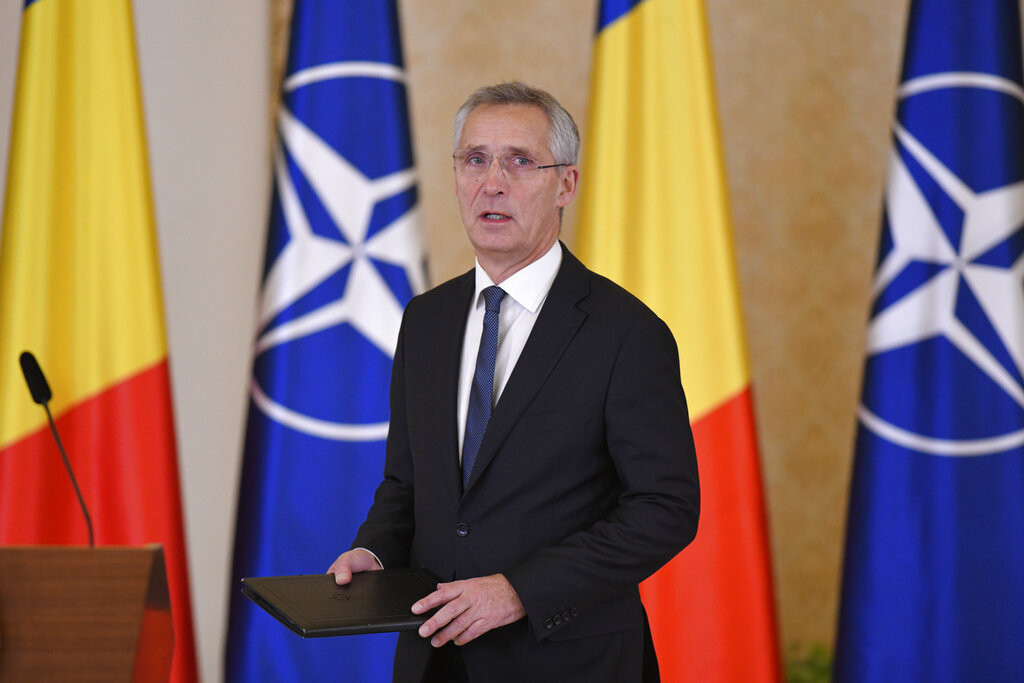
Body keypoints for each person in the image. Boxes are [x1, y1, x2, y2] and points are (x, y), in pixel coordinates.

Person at [329, 81, 699, 683]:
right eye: (475, 160)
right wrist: (375, 551)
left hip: (571, 663)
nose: (492, 183)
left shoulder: (627, 333)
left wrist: (521, 590)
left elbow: (666, 508)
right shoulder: (425, 319)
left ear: (566, 184)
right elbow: (406, 483)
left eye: (520, 161)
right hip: (434, 659)